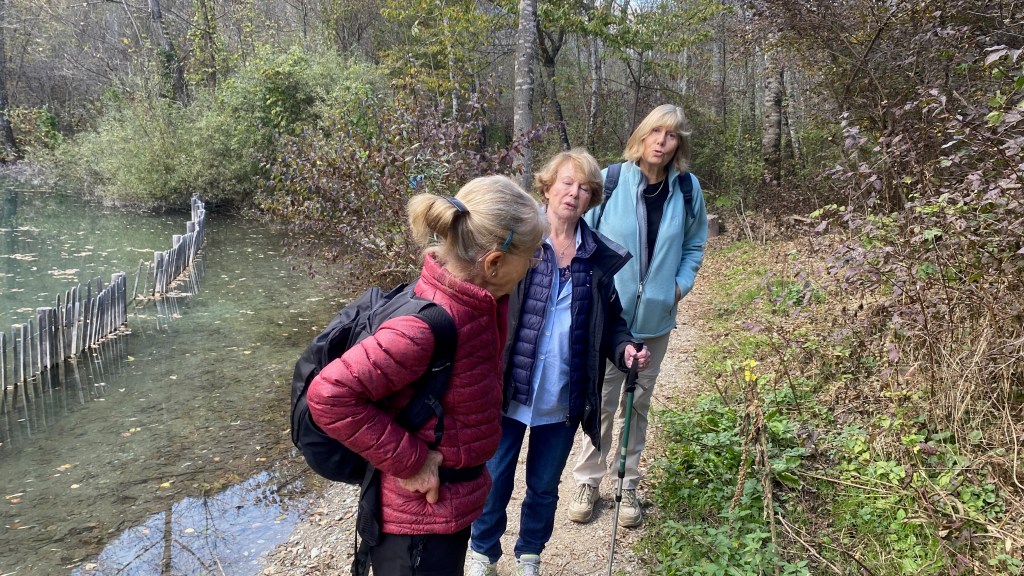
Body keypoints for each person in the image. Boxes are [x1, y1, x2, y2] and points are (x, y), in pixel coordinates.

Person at [306, 175, 546, 576]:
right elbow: (329, 395)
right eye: (532, 256)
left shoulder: (477, 304)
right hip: (418, 524)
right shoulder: (425, 328)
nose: (533, 266)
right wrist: (412, 462)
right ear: (493, 263)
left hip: (448, 506)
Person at [466, 150, 650, 576]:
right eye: (566, 183)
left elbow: (612, 321)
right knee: (493, 479)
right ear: (547, 187)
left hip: (562, 397)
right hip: (507, 390)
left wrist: (624, 348)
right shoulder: (516, 244)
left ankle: (530, 555)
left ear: (592, 199)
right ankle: (483, 554)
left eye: (584, 188)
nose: (574, 193)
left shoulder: (597, 257)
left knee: (544, 488)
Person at [568, 104, 709, 528]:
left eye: (672, 135)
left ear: (679, 144)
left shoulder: (687, 189)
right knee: (603, 401)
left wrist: (677, 287)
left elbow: (694, 244)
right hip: (609, 318)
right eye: (656, 132)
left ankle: (627, 482)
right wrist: (593, 292)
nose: (662, 142)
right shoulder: (610, 181)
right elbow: (581, 236)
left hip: (655, 319)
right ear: (642, 135)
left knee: (638, 402)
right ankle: (588, 479)